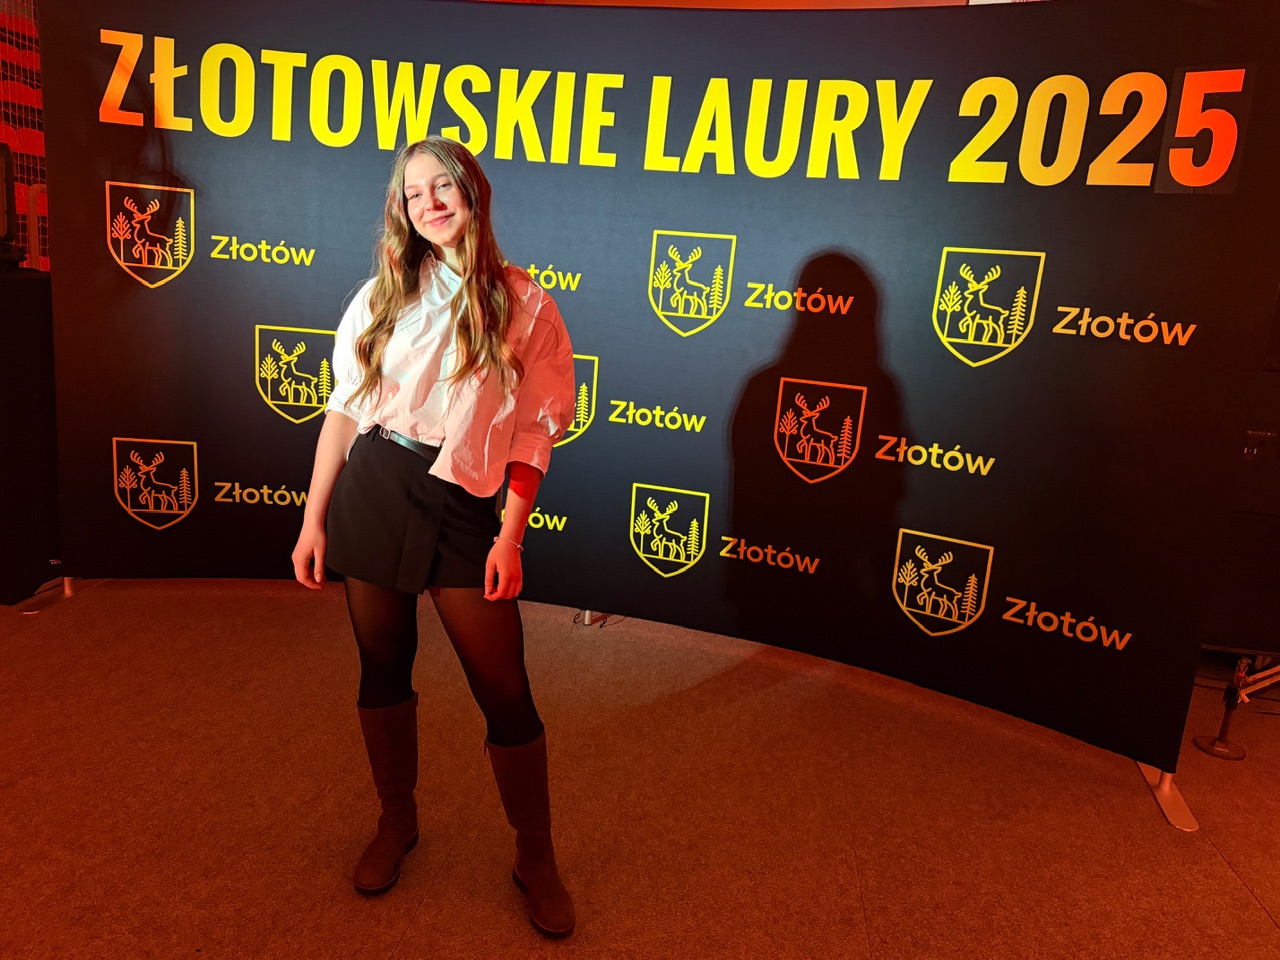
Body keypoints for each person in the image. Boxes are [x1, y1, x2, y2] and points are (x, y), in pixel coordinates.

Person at [290, 137, 577, 938]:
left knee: (505, 689)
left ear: (472, 192)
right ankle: (397, 821)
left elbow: (534, 435)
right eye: (413, 193)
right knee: (381, 663)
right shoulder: (382, 295)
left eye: (442, 185)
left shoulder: (527, 305)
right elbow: (343, 409)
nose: (430, 203)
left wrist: (510, 537)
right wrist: (313, 519)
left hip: (464, 503)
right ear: (402, 210)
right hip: (377, 486)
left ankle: (536, 855)